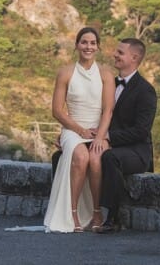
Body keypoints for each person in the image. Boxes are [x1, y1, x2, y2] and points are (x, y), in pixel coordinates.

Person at [43, 26, 115, 232]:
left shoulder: (105, 74)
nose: (88, 46)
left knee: (95, 158)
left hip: (97, 130)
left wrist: (100, 137)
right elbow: (57, 111)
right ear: (76, 45)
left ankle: (96, 212)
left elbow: (108, 110)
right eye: (84, 42)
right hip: (72, 129)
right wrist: (80, 131)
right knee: (82, 157)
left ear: (98, 47)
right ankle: (72, 213)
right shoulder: (65, 73)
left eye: (93, 43)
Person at [88, 37, 157, 234]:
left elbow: (141, 131)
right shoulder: (108, 84)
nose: (114, 55)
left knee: (110, 158)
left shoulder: (146, 91)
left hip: (137, 152)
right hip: (110, 143)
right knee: (68, 153)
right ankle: (70, 212)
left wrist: (108, 137)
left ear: (134, 58)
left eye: (120, 53)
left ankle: (113, 217)